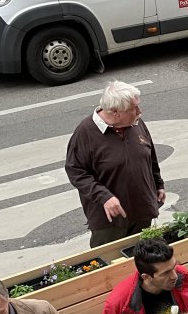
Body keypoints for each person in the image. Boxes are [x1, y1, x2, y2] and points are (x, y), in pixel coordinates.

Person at [65, 80, 166, 247]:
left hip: (142, 209)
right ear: (115, 112)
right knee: (111, 266)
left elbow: (150, 156)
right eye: (134, 108)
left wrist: (158, 183)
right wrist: (104, 197)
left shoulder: (136, 123)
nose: (140, 111)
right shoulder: (85, 133)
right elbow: (76, 172)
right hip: (110, 221)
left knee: (145, 262)